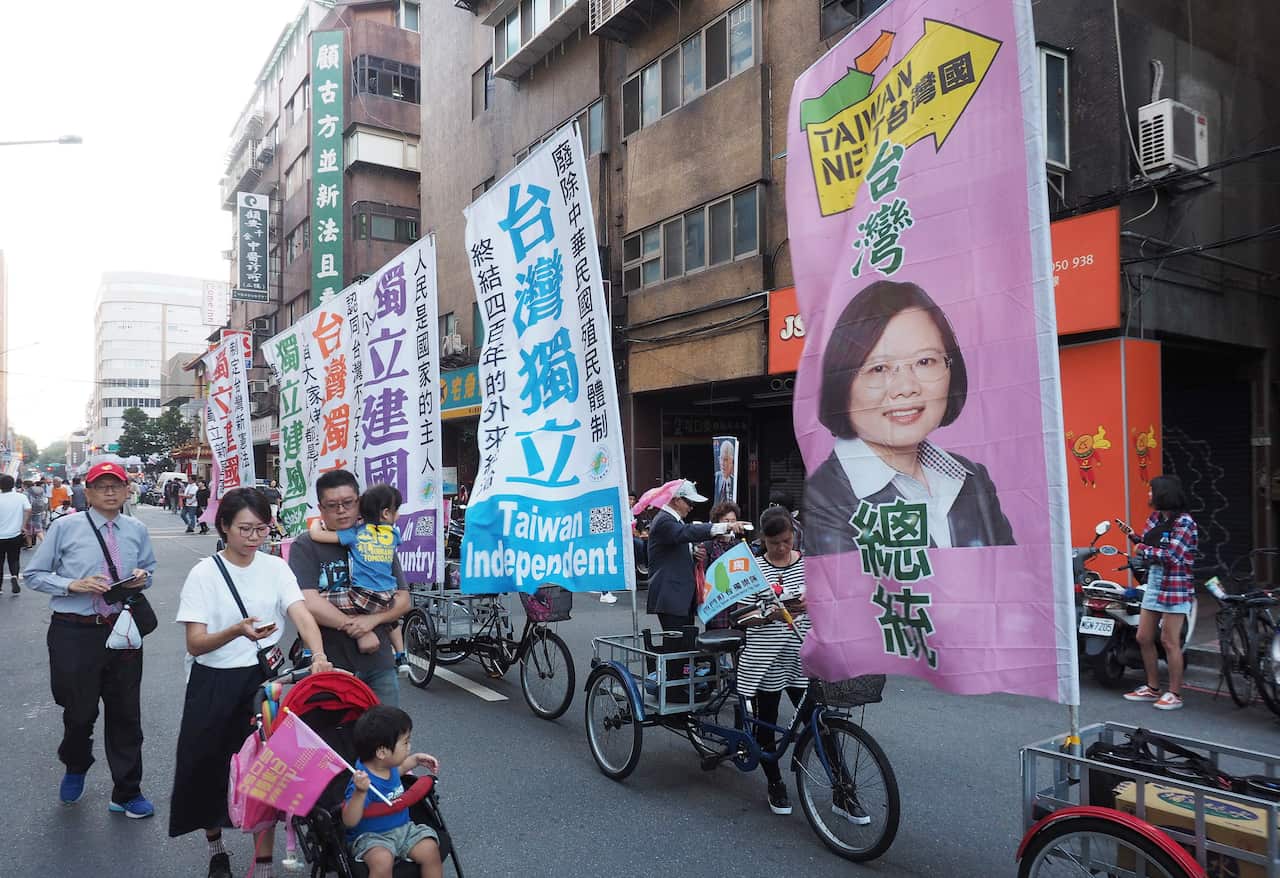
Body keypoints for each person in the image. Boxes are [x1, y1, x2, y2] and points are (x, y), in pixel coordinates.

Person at [169, 487, 333, 878]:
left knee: (269, 770)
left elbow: (302, 613)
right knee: (207, 767)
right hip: (213, 682)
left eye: (262, 529)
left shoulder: (276, 568)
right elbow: (196, 641)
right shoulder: (204, 574)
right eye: (245, 529)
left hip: (265, 682)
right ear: (223, 526)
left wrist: (320, 655)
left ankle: (262, 864)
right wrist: (237, 632)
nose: (254, 537)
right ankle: (216, 848)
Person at [805, 280, 1014, 556]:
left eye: (925, 362)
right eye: (879, 368)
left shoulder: (972, 479)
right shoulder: (823, 498)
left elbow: (1009, 583)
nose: (906, 387)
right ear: (842, 382)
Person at [25, 459, 157, 817]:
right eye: (102, 485)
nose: (110, 491)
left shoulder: (136, 529)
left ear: (127, 490)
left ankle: (127, 791)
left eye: (117, 485)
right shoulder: (65, 528)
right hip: (74, 631)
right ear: (89, 491)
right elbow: (33, 574)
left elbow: (150, 570)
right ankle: (76, 763)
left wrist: (142, 578)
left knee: (126, 715)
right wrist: (73, 584)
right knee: (79, 712)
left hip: (121, 630)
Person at [289, 469, 411, 706]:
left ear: (360, 502)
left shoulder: (376, 537)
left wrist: (372, 623)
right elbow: (308, 603)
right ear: (321, 508)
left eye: (348, 502)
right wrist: (360, 630)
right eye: (332, 505)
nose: (341, 510)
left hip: (380, 663)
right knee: (332, 741)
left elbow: (404, 600)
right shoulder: (306, 544)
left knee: (387, 738)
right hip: (330, 666)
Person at [733, 507, 812, 816]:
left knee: (815, 718)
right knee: (768, 718)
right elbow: (741, 616)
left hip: (801, 652)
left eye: (787, 541)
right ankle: (774, 782)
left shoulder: (807, 564)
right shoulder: (752, 569)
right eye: (775, 542)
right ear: (763, 540)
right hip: (766, 656)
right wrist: (770, 614)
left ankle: (841, 786)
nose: (782, 548)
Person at [307, 483, 409, 670]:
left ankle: (308, 650)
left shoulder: (355, 534)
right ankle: (401, 655)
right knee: (391, 621)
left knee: (311, 603)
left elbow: (317, 535)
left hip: (362, 596)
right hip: (388, 596)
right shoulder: (394, 535)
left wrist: (315, 523)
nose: (398, 515)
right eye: (397, 510)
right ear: (386, 514)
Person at [1122, 474, 1198, 711]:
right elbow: (1149, 543)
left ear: (1164, 493)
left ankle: (1174, 693)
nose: (1149, 495)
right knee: (1143, 636)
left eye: (1152, 491)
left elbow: (1172, 556)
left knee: (1169, 641)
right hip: (1154, 582)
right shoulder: (1155, 518)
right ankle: (1152, 688)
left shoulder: (1185, 523)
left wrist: (1142, 549)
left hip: (1176, 586)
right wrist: (1137, 539)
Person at [343, 706, 443, 878]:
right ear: (382, 752)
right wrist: (360, 793)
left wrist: (415, 760)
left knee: (430, 849)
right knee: (382, 861)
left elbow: (400, 770)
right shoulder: (363, 781)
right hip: (371, 837)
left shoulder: (388, 766)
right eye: (405, 742)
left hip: (403, 829)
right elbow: (349, 820)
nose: (409, 746)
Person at [645, 480, 746, 630]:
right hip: (672, 594)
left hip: (679, 595)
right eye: (689, 502)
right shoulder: (664, 520)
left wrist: (693, 553)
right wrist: (726, 527)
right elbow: (686, 532)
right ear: (677, 500)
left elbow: (679, 543)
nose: (691, 507)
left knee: (684, 643)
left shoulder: (673, 520)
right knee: (677, 646)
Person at [694, 501, 743, 629]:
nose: (730, 524)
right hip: (716, 601)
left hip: (737, 597)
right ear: (717, 522)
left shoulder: (739, 546)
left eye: (733, 520)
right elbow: (702, 575)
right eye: (726, 520)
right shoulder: (707, 546)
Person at [0, 474, 32, 593]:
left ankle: (0, 587)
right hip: (15, 534)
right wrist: (23, 525)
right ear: (13, 484)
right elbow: (28, 510)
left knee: (0, 560)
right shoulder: (21, 497)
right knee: (14, 558)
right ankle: (14, 576)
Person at [25, 478, 48, 548]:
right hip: (38, 511)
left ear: (25, 485)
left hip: (29, 511)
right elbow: (45, 500)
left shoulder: (26, 492)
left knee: (27, 527)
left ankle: (30, 544)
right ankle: (42, 542)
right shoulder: (39, 490)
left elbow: (26, 503)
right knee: (38, 528)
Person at [714, 440, 736, 505]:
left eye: (726, 459)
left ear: (731, 461)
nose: (722, 463)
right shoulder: (717, 477)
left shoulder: (734, 481)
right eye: (721, 458)